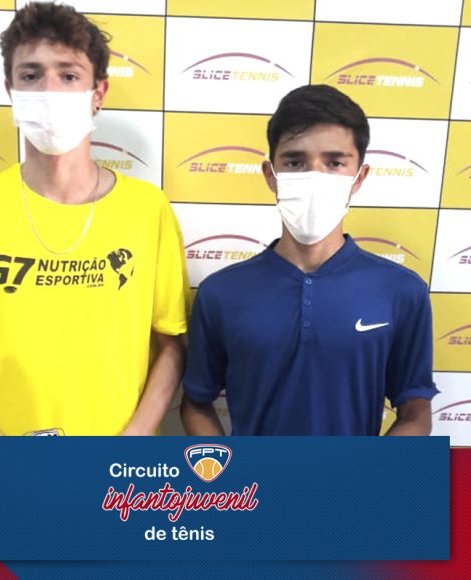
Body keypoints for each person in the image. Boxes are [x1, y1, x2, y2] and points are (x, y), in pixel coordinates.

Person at [0, 2, 189, 436]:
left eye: (68, 75)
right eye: (31, 75)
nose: (49, 90)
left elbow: (171, 343)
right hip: (7, 461)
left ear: (98, 93)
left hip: (117, 462)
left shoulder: (147, 210)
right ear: (10, 90)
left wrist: (133, 438)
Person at [181, 84, 437, 436]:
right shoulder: (220, 293)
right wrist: (229, 467)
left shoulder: (402, 291)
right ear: (271, 175)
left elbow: (416, 413)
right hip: (255, 474)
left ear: (359, 177)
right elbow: (195, 402)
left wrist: (371, 471)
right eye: (295, 162)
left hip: (353, 474)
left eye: (335, 163)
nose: (314, 176)